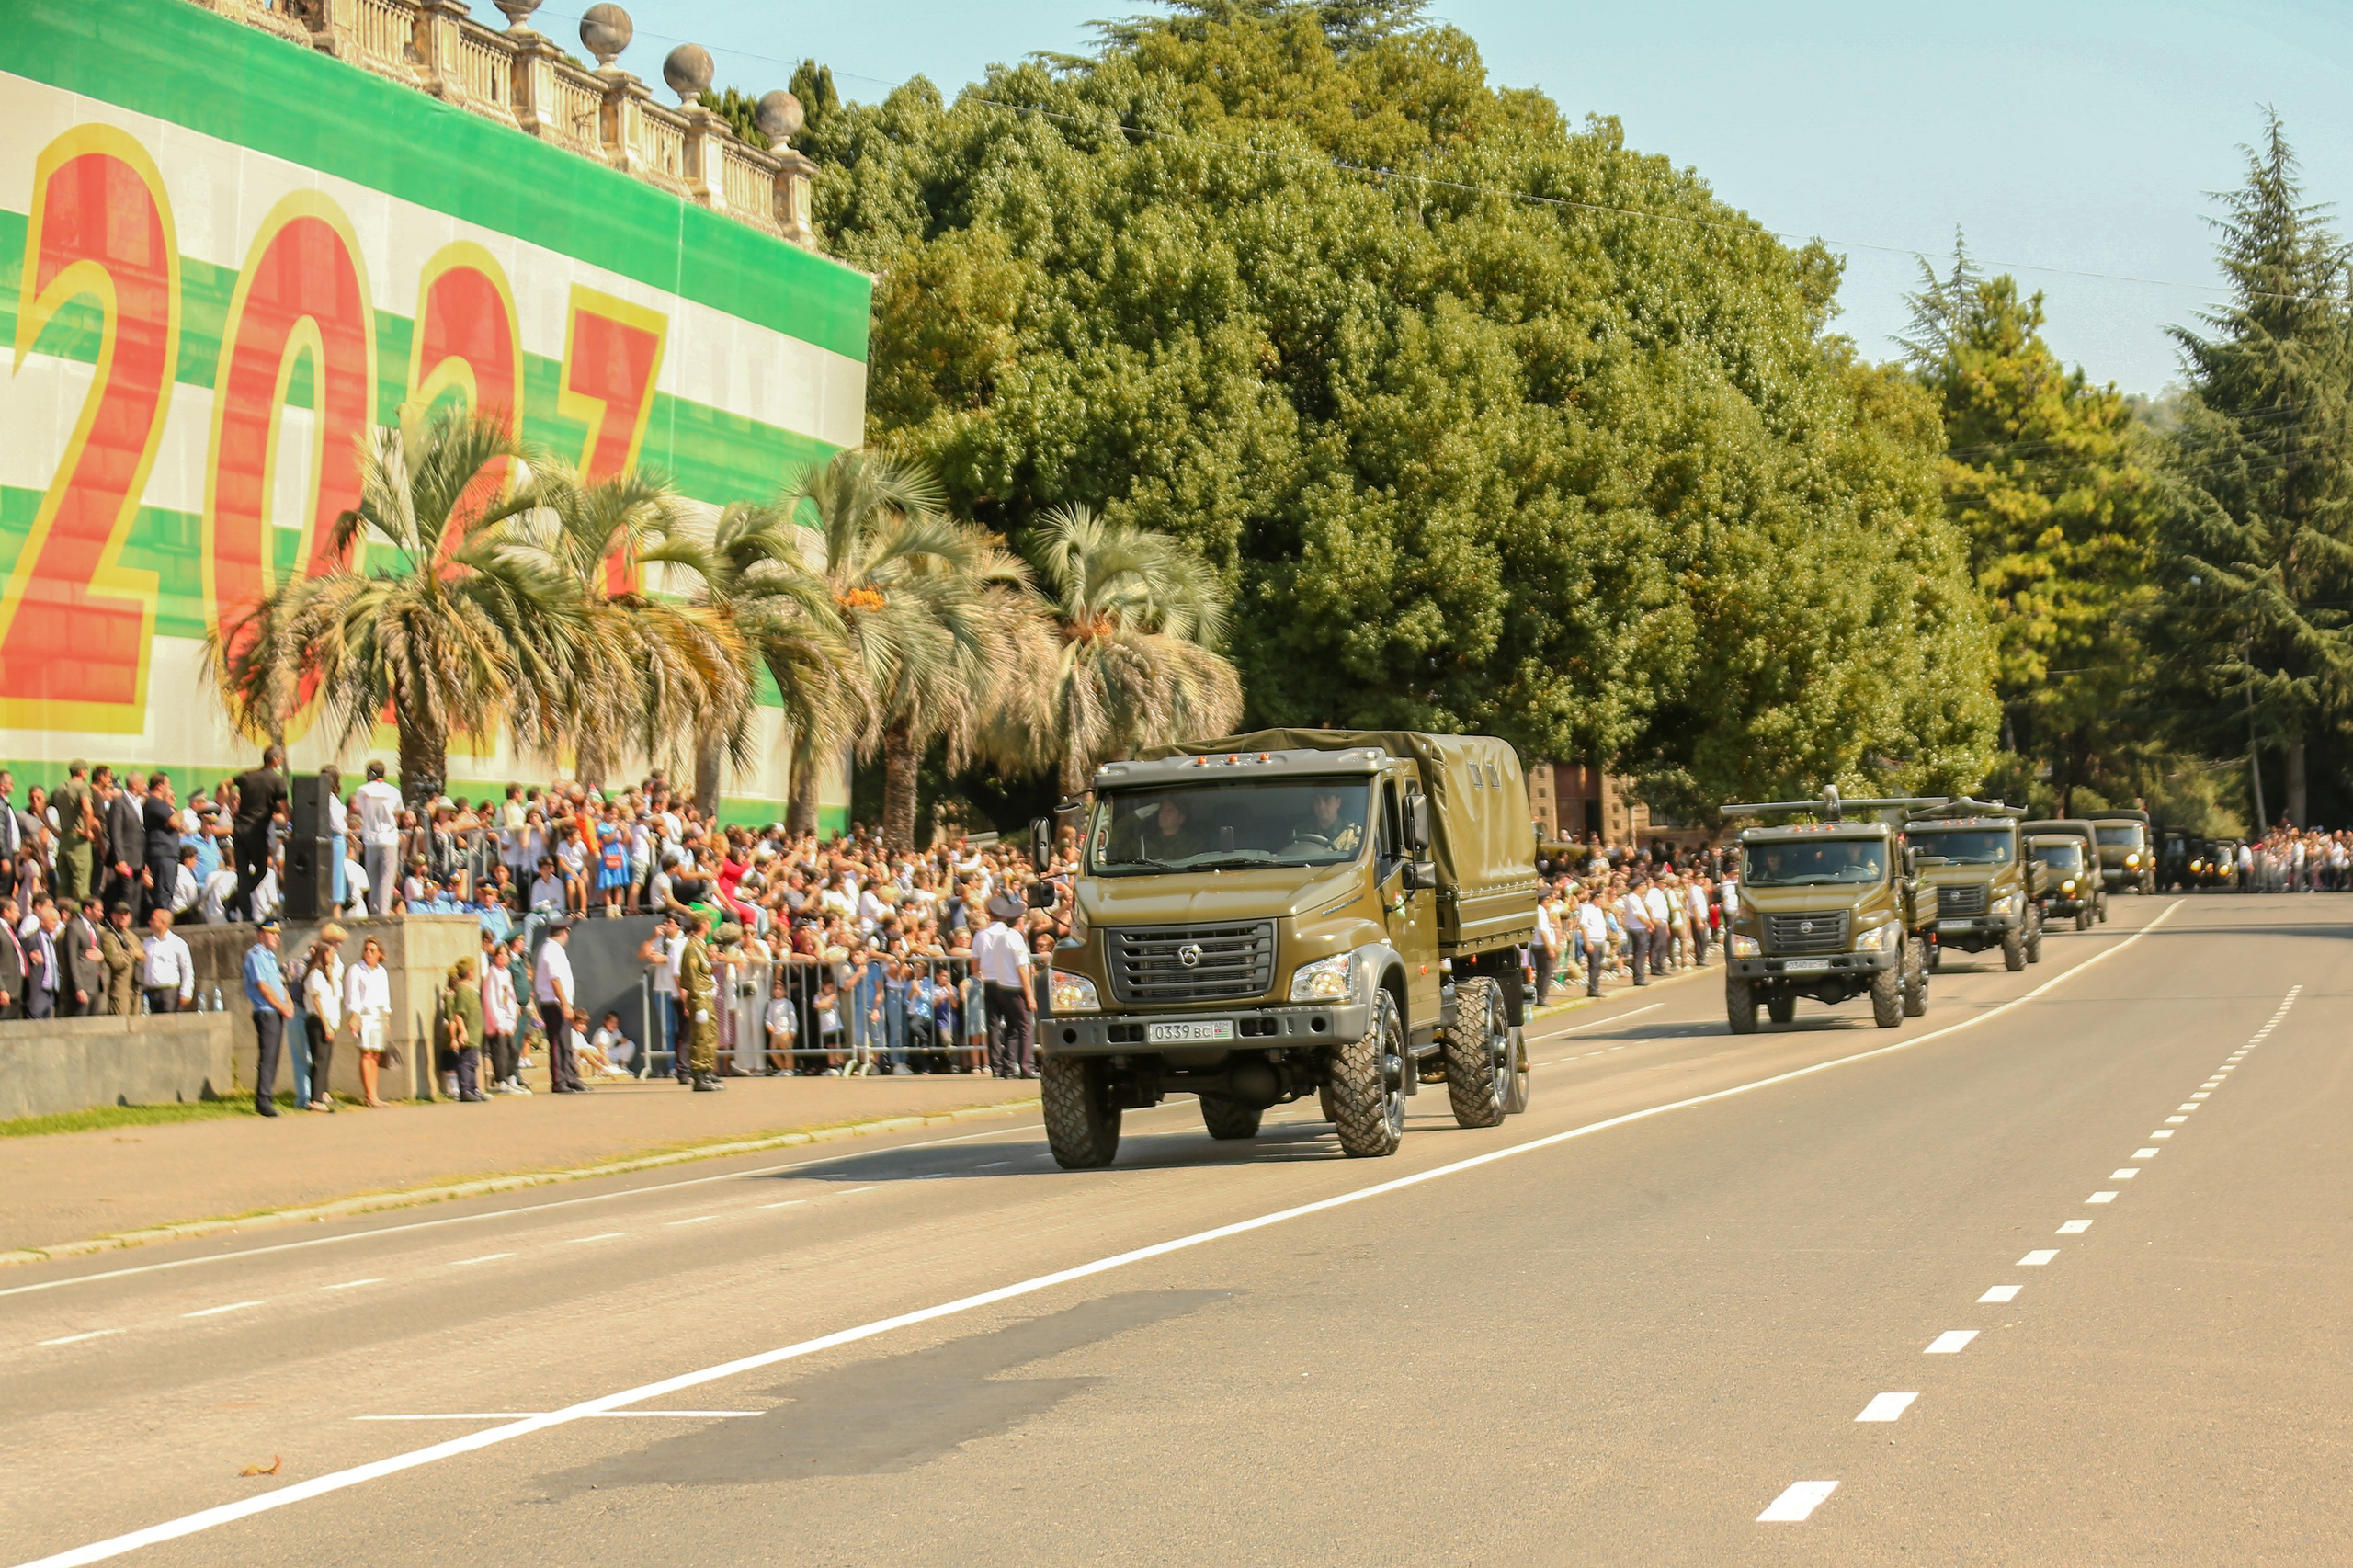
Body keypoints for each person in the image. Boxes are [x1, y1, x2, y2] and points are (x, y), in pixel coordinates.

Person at [971, 903, 1033, 1079]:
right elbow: (1021, 966)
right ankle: (1014, 1064)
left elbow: (974, 965)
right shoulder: (1009, 935)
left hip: (990, 981)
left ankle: (997, 1065)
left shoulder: (981, 935)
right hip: (1008, 981)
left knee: (993, 1025)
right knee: (1017, 1025)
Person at [230, 745, 290, 922]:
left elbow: (224, 784)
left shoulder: (248, 775)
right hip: (256, 830)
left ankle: (244, 909)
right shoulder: (277, 780)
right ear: (275, 760)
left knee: (242, 872)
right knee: (262, 869)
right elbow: (285, 809)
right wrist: (290, 824)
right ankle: (238, 899)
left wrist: (231, 806)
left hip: (239, 828)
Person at [243, 920, 294, 1117]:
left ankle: (267, 1097)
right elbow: (263, 987)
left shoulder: (270, 957)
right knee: (268, 1056)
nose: (276, 937)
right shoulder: (255, 955)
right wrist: (282, 1007)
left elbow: (280, 985)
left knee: (273, 1057)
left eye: (277, 934)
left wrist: (288, 1003)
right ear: (260, 934)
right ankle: (263, 1100)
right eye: (271, 933)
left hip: (276, 1011)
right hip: (266, 1011)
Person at [533, 921, 585, 1093]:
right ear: (564, 933)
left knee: (565, 1043)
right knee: (557, 1043)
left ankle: (570, 1077)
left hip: (559, 1002)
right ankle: (559, 1080)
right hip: (554, 1002)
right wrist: (564, 1004)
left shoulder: (555, 949)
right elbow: (555, 979)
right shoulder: (551, 950)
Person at [301, 926, 346, 1111]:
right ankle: (316, 1098)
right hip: (318, 1020)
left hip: (328, 1020)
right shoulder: (315, 973)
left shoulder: (328, 971)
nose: (333, 954)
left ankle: (323, 1092)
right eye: (331, 951)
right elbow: (317, 1000)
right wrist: (326, 1024)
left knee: (326, 1057)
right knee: (319, 1058)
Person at [344, 936, 393, 1107]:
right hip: (363, 1015)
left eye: (372, 950)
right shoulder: (356, 970)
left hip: (378, 1015)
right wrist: (354, 1015)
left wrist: (386, 1017)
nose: (368, 953)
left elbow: (385, 996)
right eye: (366, 950)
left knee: (376, 1054)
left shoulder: (381, 972)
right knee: (366, 1053)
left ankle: (374, 1094)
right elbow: (352, 994)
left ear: (380, 953)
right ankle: (369, 1095)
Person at [679, 910, 720, 1091]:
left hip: (706, 996)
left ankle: (706, 1071)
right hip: (700, 998)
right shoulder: (692, 947)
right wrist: (697, 999)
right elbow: (692, 976)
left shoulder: (700, 945)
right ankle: (699, 1075)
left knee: (710, 1035)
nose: (710, 925)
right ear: (703, 924)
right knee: (700, 1036)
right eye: (708, 922)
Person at [438, 955, 487, 1102]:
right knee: (465, 1062)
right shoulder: (462, 991)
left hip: (475, 1034)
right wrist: (463, 1031)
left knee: (472, 1062)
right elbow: (458, 1014)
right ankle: (465, 1090)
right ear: (470, 972)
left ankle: (473, 1088)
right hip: (469, 1034)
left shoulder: (469, 990)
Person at [481, 929, 522, 1093]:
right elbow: (490, 998)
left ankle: (511, 1076)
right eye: (500, 954)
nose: (503, 957)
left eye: (506, 954)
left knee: (513, 1050)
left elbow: (510, 998)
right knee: (500, 1052)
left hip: (507, 1020)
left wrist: (512, 1019)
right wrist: (498, 1022)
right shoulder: (492, 973)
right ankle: (502, 1080)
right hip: (496, 1021)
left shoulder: (507, 973)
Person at [50, 760, 97, 901]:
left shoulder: (59, 788)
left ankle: (63, 911)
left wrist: (53, 829)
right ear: (82, 772)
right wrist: (87, 831)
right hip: (78, 839)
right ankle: (80, 912)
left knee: (64, 884)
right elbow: (87, 809)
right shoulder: (82, 787)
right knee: (80, 883)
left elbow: (40, 808)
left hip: (64, 836)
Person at [141, 907, 194, 1014]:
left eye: (153, 919)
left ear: (163, 923)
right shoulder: (146, 943)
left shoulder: (177, 943)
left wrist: (186, 992)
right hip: (150, 992)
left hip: (169, 993)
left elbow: (187, 969)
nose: (149, 922)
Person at [97, 901, 140, 1016]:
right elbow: (115, 962)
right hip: (120, 991)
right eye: (119, 914)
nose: (123, 917)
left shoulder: (133, 937)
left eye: (126, 914)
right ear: (113, 916)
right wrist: (132, 954)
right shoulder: (108, 937)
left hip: (136, 989)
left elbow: (143, 956)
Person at [763, 976, 799, 1074]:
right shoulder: (772, 1004)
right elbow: (768, 1017)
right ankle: (782, 1068)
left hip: (785, 1031)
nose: (777, 991)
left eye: (780, 989)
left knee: (787, 1051)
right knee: (773, 1052)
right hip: (775, 1032)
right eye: (776, 989)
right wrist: (769, 1025)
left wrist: (793, 1030)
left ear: (785, 992)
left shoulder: (788, 1003)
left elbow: (792, 1017)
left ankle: (790, 1069)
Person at [590, 1011, 638, 1077]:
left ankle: (623, 1067)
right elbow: (602, 1050)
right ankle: (608, 1068)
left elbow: (623, 1040)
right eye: (611, 1022)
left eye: (616, 1022)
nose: (614, 1024)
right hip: (600, 1058)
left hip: (613, 1055)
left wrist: (623, 1039)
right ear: (605, 1022)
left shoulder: (615, 1031)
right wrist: (607, 1065)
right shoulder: (602, 1033)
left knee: (630, 1044)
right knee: (606, 1054)